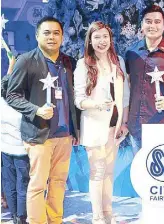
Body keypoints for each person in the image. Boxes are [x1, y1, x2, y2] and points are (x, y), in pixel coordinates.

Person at [6, 16, 79, 224]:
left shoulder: (68, 62)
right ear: (37, 36)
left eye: (56, 33)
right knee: (38, 185)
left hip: (64, 135)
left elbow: (71, 97)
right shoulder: (26, 60)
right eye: (46, 33)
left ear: (62, 37)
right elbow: (12, 95)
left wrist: (75, 130)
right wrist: (36, 110)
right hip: (39, 135)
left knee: (58, 182)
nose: (52, 37)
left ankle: (54, 220)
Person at [74, 21, 129, 224]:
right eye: (96, 37)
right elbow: (78, 99)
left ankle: (108, 213)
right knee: (97, 172)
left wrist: (124, 122)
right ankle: (97, 216)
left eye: (105, 36)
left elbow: (125, 96)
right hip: (95, 127)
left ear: (110, 39)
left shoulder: (118, 61)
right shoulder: (83, 64)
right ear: (90, 40)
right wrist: (97, 104)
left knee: (109, 171)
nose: (102, 41)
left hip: (114, 128)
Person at [124, 5, 164, 149]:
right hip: (137, 127)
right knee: (139, 171)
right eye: (148, 21)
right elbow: (127, 88)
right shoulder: (131, 53)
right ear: (142, 25)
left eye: (157, 22)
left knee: (163, 171)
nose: (152, 25)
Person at [1, 53, 30, 224]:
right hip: (21, 148)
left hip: (5, 148)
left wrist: (11, 67)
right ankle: (21, 216)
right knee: (22, 184)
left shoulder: (2, 98)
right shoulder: (23, 101)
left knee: (9, 182)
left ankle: (15, 216)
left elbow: (5, 80)